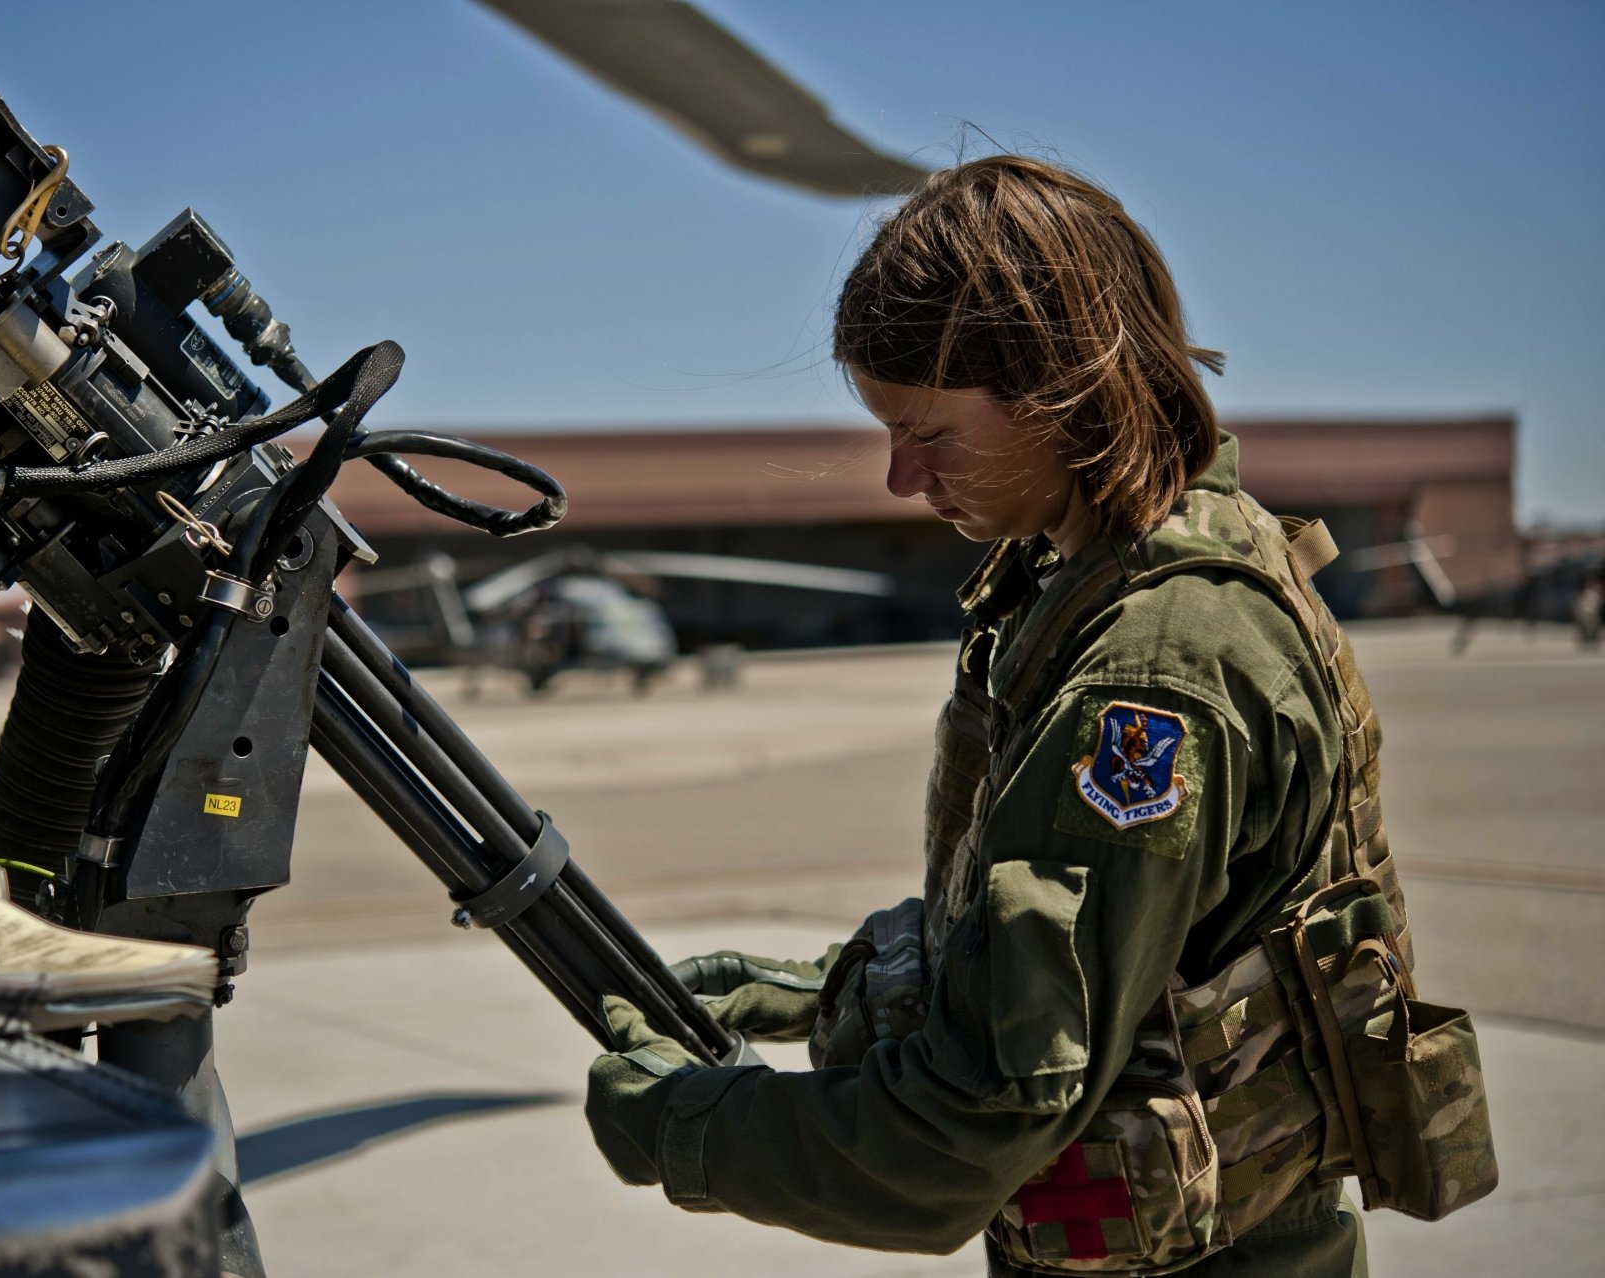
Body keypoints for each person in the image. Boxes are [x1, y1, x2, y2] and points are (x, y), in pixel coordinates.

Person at [582, 156, 1493, 1274]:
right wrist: (818, 988)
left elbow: (973, 1125)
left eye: (933, 435)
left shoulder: (1152, 675)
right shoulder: (1142, 566)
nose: (900, 481)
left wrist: (691, 1128)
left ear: (1071, 390)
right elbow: (1113, 965)